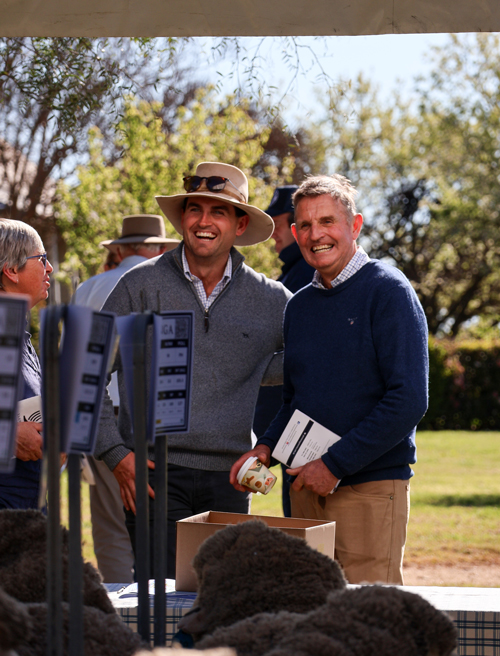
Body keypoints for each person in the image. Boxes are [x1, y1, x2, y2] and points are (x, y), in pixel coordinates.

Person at [94, 162, 292, 578]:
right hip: (152, 477)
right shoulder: (139, 286)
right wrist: (116, 456)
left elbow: (311, 370)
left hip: (231, 481)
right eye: (194, 209)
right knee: (163, 607)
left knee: (224, 602)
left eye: (218, 211)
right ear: (183, 218)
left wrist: (270, 446)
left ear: (240, 225)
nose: (203, 221)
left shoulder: (272, 300)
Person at [231, 174, 429, 585]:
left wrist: (334, 466)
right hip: (305, 486)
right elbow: (294, 401)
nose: (315, 234)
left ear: (354, 226)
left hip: (369, 490)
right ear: (293, 232)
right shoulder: (299, 306)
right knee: (312, 613)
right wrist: (265, 447)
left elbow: (408, 400)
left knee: (366, 624)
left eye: (327, 221)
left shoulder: (388, 291)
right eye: (304, 225)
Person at [73, 214, 179, 583]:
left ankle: (122, 611)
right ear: (161, 249)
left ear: (120, 249)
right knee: (160, 522)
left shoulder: (87, 288)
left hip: (96, 414)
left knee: (109, 524)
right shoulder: (169, 285)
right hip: (153, 416)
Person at [253, 185, 315, 517]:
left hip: (302, 433)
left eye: (279, 224)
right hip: (285, 433)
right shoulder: (293, 272)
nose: (275, 234)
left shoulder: (307, 273)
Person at [0, 219, 53, 509]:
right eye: (41, 258)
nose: (50, 268)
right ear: (11, 270)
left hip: (24, 516)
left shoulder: (18, 333)